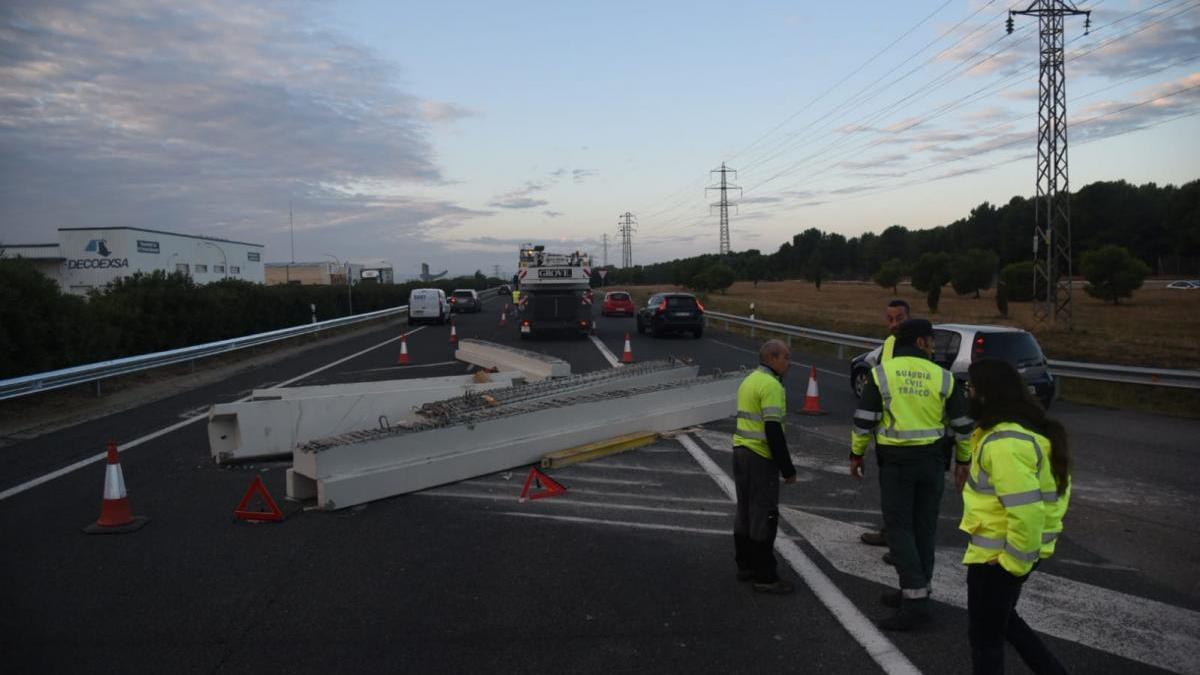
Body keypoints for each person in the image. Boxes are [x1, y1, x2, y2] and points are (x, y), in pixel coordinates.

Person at [850, 319, 974, 630]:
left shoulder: (882, 374)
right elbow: (962, 425)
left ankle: (915, 602)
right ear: (920, 342)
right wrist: (964, 460)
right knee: (924, 528)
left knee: (899, 529)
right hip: (933, 462)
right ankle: (917, 589)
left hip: (897, 464)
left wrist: (856, 453)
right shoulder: (943, 377)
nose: (933, 346)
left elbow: (865, 419)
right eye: (931, 341)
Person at [958, 359, 1071, 674]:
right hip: (1017, 551)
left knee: (985, 638)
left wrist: (1011, 563)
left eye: (972, 387)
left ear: (988, 394)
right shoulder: (1032, 431)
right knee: (1005, 622)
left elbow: (1027, 510)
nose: (968, 392)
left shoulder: (1005, 442)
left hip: (999, 556)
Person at [733, 339, 798, 594]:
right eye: (785, 357)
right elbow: (773, 430)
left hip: (740, 452)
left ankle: (745, 565)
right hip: (760, 457)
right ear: (771, 358)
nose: (789, 363)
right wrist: (787, 468)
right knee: (765, 515)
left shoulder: (749, 380)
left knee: (745, 512)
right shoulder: (772, 386)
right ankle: (766, 575)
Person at [860, 299, 911, 550]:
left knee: (907, 494)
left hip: (914, 433)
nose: (894, 324)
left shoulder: (918, 343)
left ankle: (902, 544)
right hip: (889, 431)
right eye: (890, 319)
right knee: (891, 492)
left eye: (899, 318)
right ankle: (890, 533)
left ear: (909, 317)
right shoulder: (889, 344)